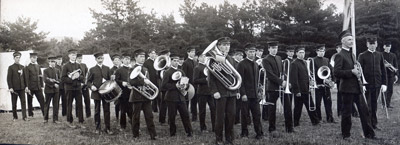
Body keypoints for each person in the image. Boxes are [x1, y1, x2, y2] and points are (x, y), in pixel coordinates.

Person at [334, 30, 376, 139]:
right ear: (343, 41)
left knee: (364, 112)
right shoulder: (340, 55)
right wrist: (351, 72)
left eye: (352, 39)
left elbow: (354, 69)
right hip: (347, 89)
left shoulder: (352, 54)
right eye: (349, 39)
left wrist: (357, 71)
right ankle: (346, 135)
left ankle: (369, 134)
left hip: (357, 87)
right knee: (347, 114)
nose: (352, 41)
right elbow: (336, 72)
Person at [208, 37, 238, 144]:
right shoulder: (214, 58)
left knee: (231, 116)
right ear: (219, 46)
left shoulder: (231, 59)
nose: (227, 47)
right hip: (220, 93)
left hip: (232, 92)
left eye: (228, 45)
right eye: (224, 45)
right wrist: (214, 91)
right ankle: (219, 139)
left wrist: (237, 90)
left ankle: (229, 138)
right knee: (220, 117)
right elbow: (211, 78)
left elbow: (235, 75)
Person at [262, 41, 294, 133]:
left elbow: (282, 71)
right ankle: (272, 128)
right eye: (272, 48)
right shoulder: (266, 59)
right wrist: (281, 82)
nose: (274, 50)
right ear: (268, 49)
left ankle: (289, 128)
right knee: (272, 109)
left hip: (282, 87)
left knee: (287, 107)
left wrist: (286, 80)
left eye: (275, 48)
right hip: (272, 87)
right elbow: (270, 74)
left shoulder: (279, 58)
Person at [358, 36, 387, 130]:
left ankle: (374, 124)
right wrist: (362, 84)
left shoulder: (379, 55)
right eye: (370, 44)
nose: (372, 45)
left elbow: (383, 69)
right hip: (367, 85)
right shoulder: (362, 55)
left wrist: (384, 83)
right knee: (368, 106)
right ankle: (368, 124)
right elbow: (359, 71)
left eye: (374, 43)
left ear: (377, 44)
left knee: (374, 105)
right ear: (367, 44)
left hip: (377, 84)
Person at [161, 51, 193, 137]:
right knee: (172, 116)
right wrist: (175, 86)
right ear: (171, 61)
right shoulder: (167, 72)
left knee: (185, 115)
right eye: (174, 60)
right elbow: (163, 86)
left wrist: (185, 86)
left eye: (177, 60)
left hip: (181, 97)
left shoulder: (181, 71)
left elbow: (186, 82)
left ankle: (189, 132)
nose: (176, 62)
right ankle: (172, 133)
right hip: (171, 97)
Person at [129, 49, 157, 140]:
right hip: (137, 96)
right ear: (136, 57)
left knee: (149, 116)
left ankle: (153, 135)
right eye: (140, 56)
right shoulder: (131, 69)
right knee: (136, 117)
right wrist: (142, 81)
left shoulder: (145, 69)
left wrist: (147, 85)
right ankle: (135, 135)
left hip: (146, 97)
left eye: (144, 57)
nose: (142, 58)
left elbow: (148, 82)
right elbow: (131, 82)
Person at [237, 44, 263, 139]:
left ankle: (259, 133)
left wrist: (259, 91)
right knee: (244, 115)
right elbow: (240, 81)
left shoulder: (256, 64)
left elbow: (257, 80)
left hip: (255, 95)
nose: (252, 53)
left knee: (257, 114)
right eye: (250, 52)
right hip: (246, 95)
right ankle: (244, 133)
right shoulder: (241, 64)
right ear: (246, 52)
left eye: (253, 51)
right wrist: (243, 94)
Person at [290, 47, 320, 127]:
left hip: (306, 88)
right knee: (298, 108)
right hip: (299, 90)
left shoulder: (304, 62)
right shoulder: (294, 63)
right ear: (296, 53)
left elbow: (306, 75)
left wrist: (310, 82)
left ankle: (315, 121)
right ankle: (296, 123)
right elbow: (294, 79)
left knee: (310, 105)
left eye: (303, 52)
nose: (302, 54)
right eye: (300, 52)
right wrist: (297, 91)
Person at [87, 52, 112, 134]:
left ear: (103, 59)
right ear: (95, 59)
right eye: (98, 58)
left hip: (106, 93)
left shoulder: (107, 68)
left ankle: (107, 128)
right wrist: (91, 86)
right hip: (96, 93)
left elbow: (110, 81)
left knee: (107, 110)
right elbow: (88, 82)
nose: (100, 60)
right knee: (97, 111)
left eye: (101, 58)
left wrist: (110, 81)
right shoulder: (92, 69)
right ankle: (97, 128)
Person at [61, 49, 85, 128]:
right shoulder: (65, 66)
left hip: (78, 88)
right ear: (69, 56)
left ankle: (81, 121)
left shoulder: (78, 65)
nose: (74, 56)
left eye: (75, 55)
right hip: (69, 88)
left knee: (80, 105)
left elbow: (83, 77)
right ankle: (69, 121)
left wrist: (78, 77)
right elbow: (63, 78)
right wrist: (72, 78)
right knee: (69, 105)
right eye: (72, 55)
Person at [193, 51, 216, 132]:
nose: (204, 58)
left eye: (205, 56)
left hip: (210, 91)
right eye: (202, 56)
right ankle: (203, 128)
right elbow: (195, 80)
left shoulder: (208, 66)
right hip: (202, 92)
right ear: (198, 58)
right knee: (202, 111)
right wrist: (205, 80)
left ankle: (214, 127)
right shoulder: (197, 67)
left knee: (213, 110)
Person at [313, 45, 335, 123]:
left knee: (328, 102)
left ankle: (330, 118)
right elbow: (313, 73)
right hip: (318, 85)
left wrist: (332, 81)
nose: (322, 52)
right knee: (318, 103)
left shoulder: (326, 60)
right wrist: (320, 79)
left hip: (326, 85)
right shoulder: (313, 60)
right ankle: (319, 119)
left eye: (323, 51)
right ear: (317, 51)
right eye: (320, 51)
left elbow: (331, 71)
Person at [7, 51, 28, 121]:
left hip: (22, 88)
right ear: (14, 58)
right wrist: (10, 87)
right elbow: (9, 79)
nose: (18, 59)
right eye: (16, 57)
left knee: (23, 102)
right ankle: (15, 117)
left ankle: (24, 117)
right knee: (14, 103)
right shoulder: (11, 67)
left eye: (19, 57)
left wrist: (26, 86)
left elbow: (25, 78)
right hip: (14, 89)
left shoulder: (22, 67)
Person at [115, 54, 133, 131]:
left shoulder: (132, 69)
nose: (127, 61)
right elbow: (116, 81)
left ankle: (133, 123)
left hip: (131, 92)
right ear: (122, 60)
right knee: (123, 110)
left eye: (128, 59)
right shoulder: (119, 70)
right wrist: (122, 82)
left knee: (131, 109)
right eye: (126, 59)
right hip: (123, 93)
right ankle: (123, 126)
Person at [24, 52, 45, 117]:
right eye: (33, 58)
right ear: (30, 58)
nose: (34, 59)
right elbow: (26, 78)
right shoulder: (27, 67)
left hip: (38, 87)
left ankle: (45, 113)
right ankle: (30, 114)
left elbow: (40, 76)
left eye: (35, 58)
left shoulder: (38, 66)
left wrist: (42, 85)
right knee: (29, 101)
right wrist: (27, 87)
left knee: (42, 100)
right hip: (30, 87)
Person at [43, 56, 61, 123]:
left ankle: (55, 119)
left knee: (56, 105)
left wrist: (57, 83)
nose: (53, 63)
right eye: (51, 62)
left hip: (56, 91)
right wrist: (53, 84)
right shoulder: (45, 71)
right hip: (48, 90)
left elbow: (59, 79)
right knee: (47, 104)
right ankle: (45, 118)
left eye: (54, 62)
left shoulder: (57, 70)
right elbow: (45, 80)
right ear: (49, 62)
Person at [182, 46, 198, 121]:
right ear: (188, 53)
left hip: (195, 84)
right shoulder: (185, 63)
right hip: (188, 84)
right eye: (192, 52)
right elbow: (184, 74)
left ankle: (194, 117)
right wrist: (186, 85)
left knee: (194, 101)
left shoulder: (195, 62)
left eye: (194, 52)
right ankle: (186, 116)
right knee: (187, 101)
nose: (193, 53)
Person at [382, 41, 398, 108]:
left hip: (391, 75)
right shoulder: (381, 54)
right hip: (384, 74)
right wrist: (385, 65)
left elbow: (395, 65)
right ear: (384, 47)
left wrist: (396, 74)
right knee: (384, 90)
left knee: (390, 90)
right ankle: (384, 104)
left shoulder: (393, 55)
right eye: (387, 47)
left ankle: (388, 104)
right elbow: (379, 64)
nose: (388, 48)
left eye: (389, 47)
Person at [76, 54, 91, 118]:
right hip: (77, 85)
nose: (80, 59)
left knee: (87, 100)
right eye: (79, 58)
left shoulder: (84, 65)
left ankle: (88, 114)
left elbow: (87, 74)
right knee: (78, 101)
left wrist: (86, 82)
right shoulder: (74, 65)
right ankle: (78, 114)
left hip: (85, 85)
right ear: (76, 58)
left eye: (81, 58)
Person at [232, 48, 244, 124]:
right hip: (236, 87)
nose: (240, 57)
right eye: (238, 55)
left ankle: (238, 119)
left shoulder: (241, 64)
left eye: (241, 56)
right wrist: (237, 91)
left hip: (242, 86)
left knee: (240, 105)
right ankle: (236, 120)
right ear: (235, 56)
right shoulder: (234, 64)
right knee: (236, 105)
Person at [110, 54, 121, 121]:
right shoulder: (111, 70)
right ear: (113, 61)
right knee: (117, 103)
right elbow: (110, 80)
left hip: (122, 87)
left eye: (118, 60)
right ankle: (117, 117)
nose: (117, 61)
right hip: (116, 88)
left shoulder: (121, 68)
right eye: (115, 60)